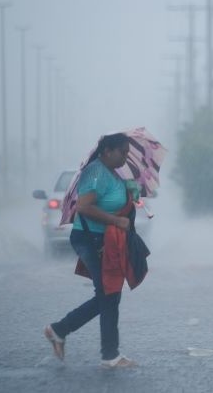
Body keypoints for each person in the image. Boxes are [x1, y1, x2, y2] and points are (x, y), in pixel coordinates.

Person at [44, 133, 139, 368]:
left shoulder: (111, 173)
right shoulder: (95, 172)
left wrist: (131, 191)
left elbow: (112, 202)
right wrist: (116, 221)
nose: (126, 157)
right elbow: (84, 207)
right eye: (123, 152)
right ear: (107, 150)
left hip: (104, 240)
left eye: (128, 153)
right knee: (109, 294)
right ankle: (109, 355)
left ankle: (60, 330)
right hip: (91, 240)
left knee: (109, 294)